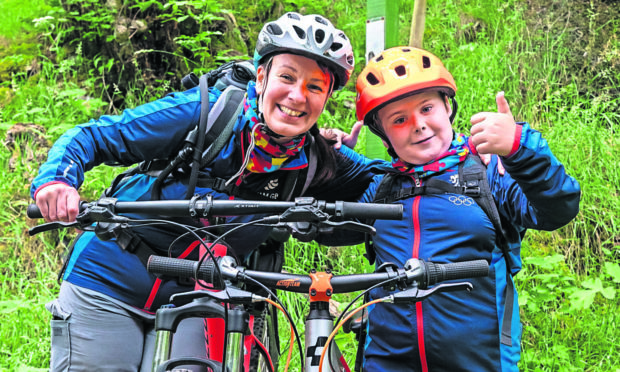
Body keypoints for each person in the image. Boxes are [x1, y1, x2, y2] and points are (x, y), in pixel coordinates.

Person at [30, 12, 385, 372]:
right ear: (261, 77)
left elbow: (388, 179)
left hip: (197, 300)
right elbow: (95, 136)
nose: (297, 95)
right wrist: (57, 181)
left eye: (314, 86)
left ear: (325, 99)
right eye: (287, 77)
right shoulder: (208, 112)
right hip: (109, 281)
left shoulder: (317, 157)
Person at [353, 46, 581, 371]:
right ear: (384, 134)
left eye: (427, 108)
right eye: (399, 119)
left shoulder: (489, 172)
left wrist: (521, 148)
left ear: (448, 107)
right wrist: (331, 159)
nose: (418, 125)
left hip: (480, 362)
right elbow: (330, 229)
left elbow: (558, 209)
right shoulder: (380, 187)